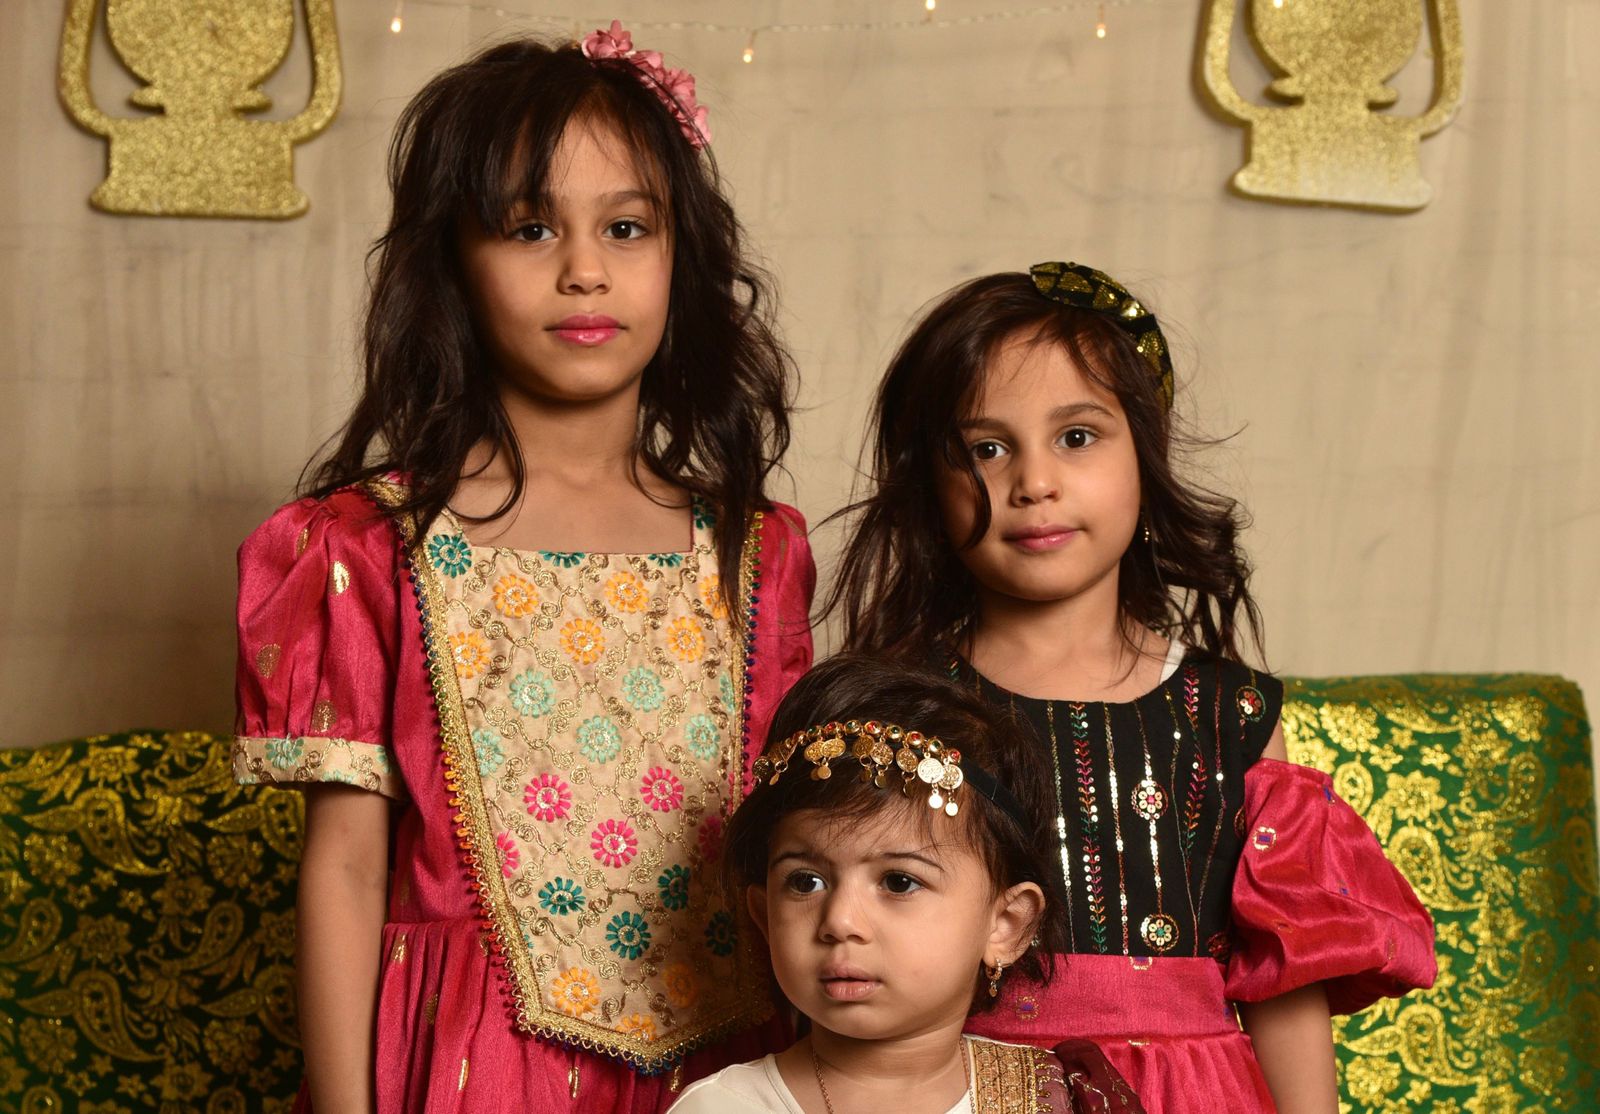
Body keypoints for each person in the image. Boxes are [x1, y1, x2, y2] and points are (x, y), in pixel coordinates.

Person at [233, 24, 815, 1114]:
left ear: (681, 257)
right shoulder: (364, 546)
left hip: (728, 1074)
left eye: (626, 227)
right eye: (530, 227)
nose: (584, 269)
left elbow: (802, 850)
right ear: (453, 263)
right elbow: (347, 870)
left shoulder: (759, 550)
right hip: (469, 1068)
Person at [826, 263, 1436, 1113]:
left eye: (1077, 436)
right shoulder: (895, 708)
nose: (1034, 482)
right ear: (931, 486)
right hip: (963, 1093)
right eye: (987, 448)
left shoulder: (1231, 713)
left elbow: (1284, 979)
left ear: (1145, 456)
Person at [671, 655, 1148, 1114]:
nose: (840, 921)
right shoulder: (718, 1107)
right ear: (764, 917)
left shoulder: (1062, 1098)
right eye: (806, 881)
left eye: (899, 882)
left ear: (1006, 925)